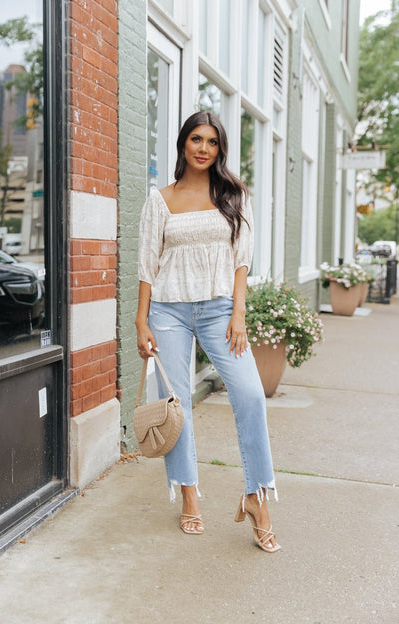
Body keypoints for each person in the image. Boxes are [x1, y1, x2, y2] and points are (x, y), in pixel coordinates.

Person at [135, 111, 280, 552]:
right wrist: (141, 320)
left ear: (220, 150)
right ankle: (188, 494)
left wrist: (239, 313)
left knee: (251, 395)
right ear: (183, 144)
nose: (203, 148)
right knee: (177, 406)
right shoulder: (159, 200)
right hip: (168, 311)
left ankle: (257, 497)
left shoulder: (234, 196)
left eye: (212, 142)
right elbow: (146, 263)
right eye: (196, 139)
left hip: (220, 311)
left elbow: (242, 260)